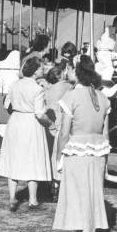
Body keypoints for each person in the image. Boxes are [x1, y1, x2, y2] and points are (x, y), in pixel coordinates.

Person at [53, 56, 111, 232]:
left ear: (77, 72)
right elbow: (105, 134)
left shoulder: (71, 96)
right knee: (89, 201)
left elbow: (64, 133)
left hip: (77, 153)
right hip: (98, 153)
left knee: (82, 204)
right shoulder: (102, 97)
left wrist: (59, 158)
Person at [0, 56, 52, 211]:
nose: (43, 70)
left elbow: (7, 104)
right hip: (31, 123)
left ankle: (12, 198)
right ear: (35, 71)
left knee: (13, 157)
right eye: (41, 68)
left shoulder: (15, 85)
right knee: (32, 159)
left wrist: (17, 107)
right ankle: (33, 200)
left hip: (15, 121)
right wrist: (51, 124)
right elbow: (40, 113)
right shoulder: (37, 89)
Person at [44, 64, 74, 200]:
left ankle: (53, 185)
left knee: (52, 156)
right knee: (63, 155)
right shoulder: (66, 86)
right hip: (64, 124)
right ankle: (62, 186)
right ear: (59, 75)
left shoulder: (48, 90)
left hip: (51, 125)